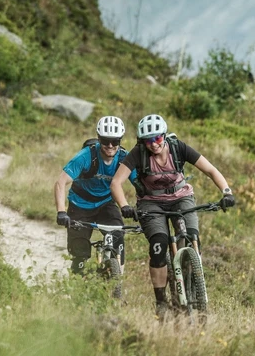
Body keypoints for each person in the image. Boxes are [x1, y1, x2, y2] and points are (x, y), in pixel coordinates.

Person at [110, 114, 236, 318]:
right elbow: (116, 183)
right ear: (143, 141)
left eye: (158, 138)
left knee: (192, 235)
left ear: (164, 136)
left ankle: (194, 281)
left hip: (181, 197)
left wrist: (226, 192)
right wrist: (124, 205)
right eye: (148, 140)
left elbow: (211, 170)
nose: (154, 144)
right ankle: (161, 301)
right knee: (158, 246)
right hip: (151, 203)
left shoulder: (178, 147)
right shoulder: (138, 153)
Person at [54, 116, 132, 275]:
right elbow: (60, 183)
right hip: (80, 205)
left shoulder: (124, 158)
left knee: (118, 238)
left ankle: (117, 284)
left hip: (106, 204)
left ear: (120, 140)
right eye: (105, 140)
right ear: (98, 138)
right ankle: (77, 291)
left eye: (115, 141)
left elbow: (140, 182)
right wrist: (61, 211)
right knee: (79, 254)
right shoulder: (85, 157)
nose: (110, 146)